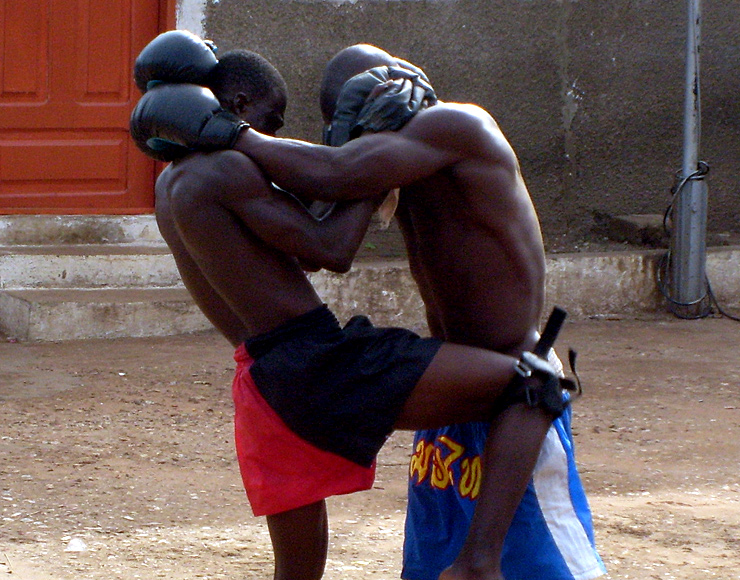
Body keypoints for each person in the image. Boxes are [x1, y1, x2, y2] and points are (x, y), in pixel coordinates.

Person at [130, 36, 577, 580]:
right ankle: (479, 563)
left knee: (299, 570)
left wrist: (273, 138)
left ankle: (476, 561)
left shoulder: (451, 127)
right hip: (320, 361)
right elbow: (330, 234)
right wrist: (267, 136)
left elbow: (331, 180)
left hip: (263, 376)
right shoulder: (229, 167)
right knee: (534, 385)